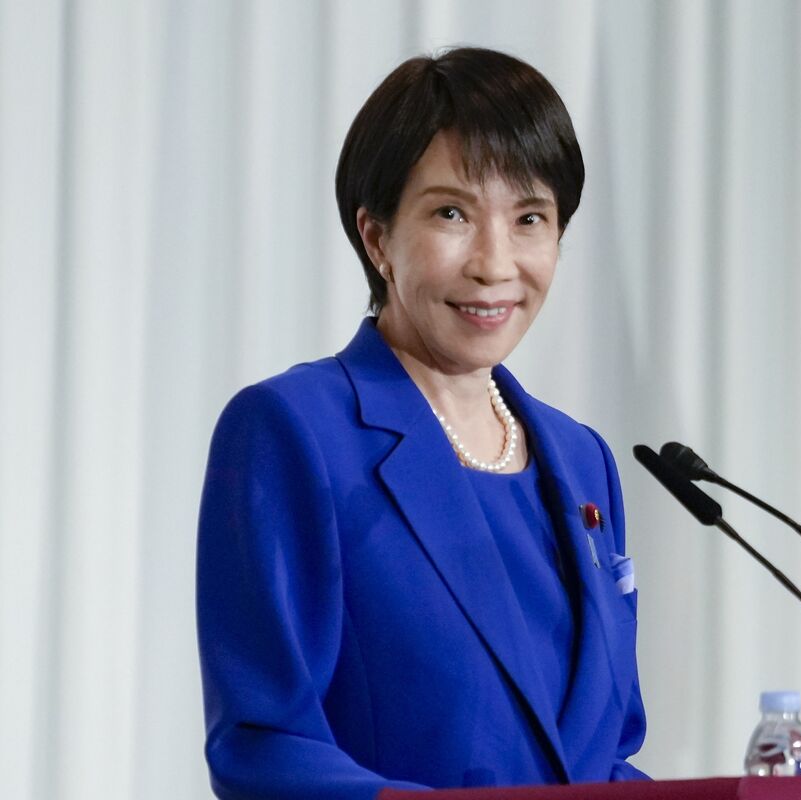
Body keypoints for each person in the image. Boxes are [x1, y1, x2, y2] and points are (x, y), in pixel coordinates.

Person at [196, 48, 647, 799]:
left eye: (529, 218)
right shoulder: (294, 432)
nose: (495, 264)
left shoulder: (582, 460)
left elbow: (607, 755)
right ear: (377, 238)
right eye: (452, 214)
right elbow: (262, 746)